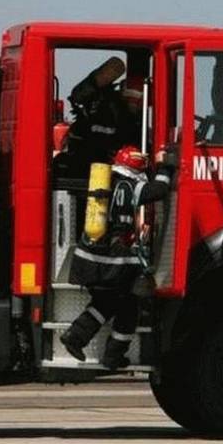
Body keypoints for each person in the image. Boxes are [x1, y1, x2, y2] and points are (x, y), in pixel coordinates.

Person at [60, 145, 173, 369]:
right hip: (110, 263)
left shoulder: (106, 181)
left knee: (108, 303)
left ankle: (78, 338)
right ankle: (108, 353)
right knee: (128, 305)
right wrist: (165, 167)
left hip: (90, 259)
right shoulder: (129, 185)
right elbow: (159, 191)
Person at [64, 57, 142, 177]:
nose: (134, 102)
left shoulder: (128, 119)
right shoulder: (111, 112)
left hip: (102, 165)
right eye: (131, 96)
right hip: (90, 166)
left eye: (138, 98)